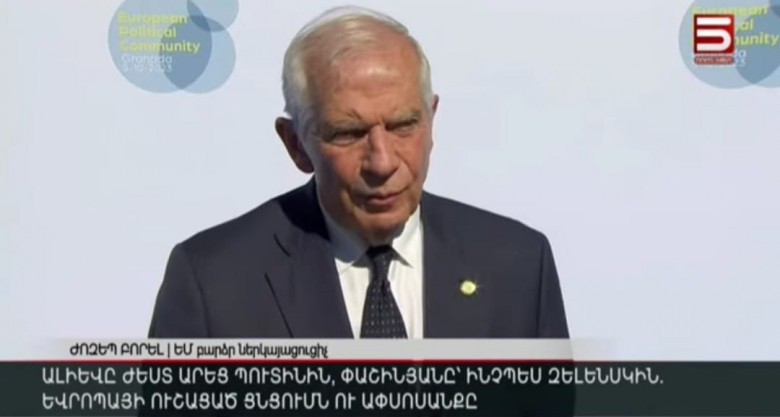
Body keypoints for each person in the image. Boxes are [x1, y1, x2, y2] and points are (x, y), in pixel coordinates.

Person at [148, 6, 568, 339]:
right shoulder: (212, 282)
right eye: (348, 133)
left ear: (432, 119)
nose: (382, 163)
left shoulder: (518, 264)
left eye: (403, 125)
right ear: (295, 144)